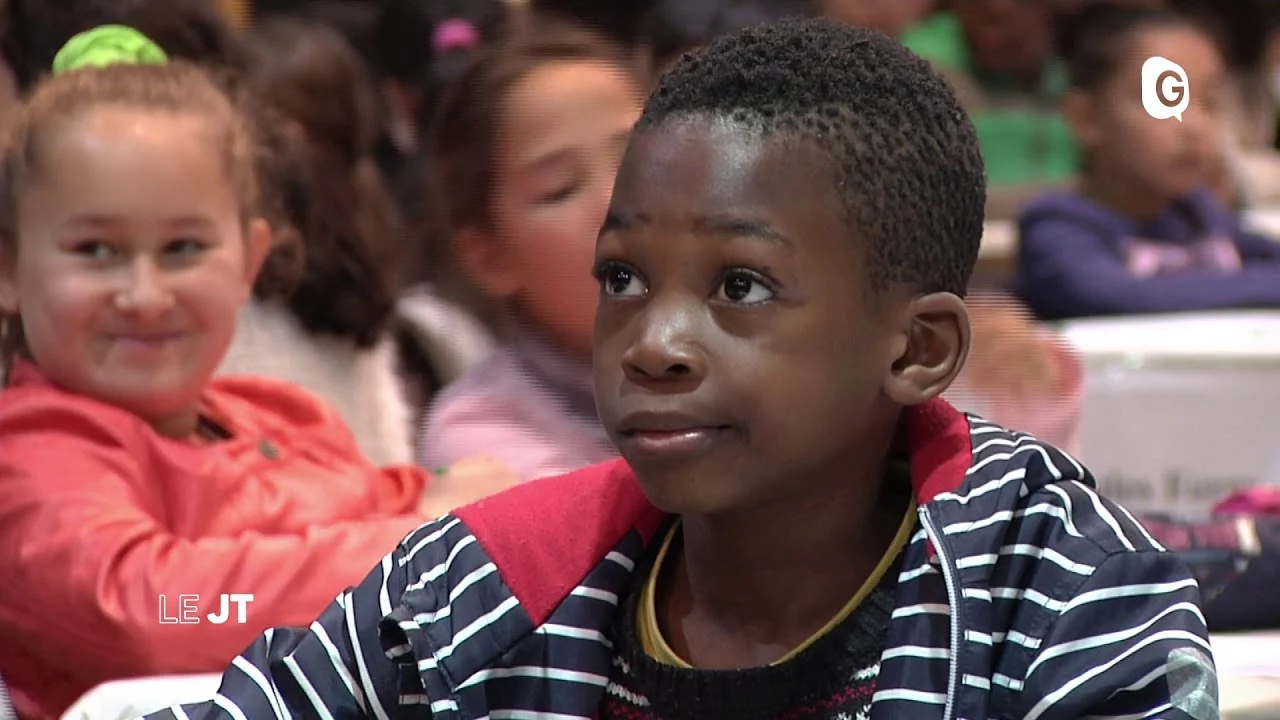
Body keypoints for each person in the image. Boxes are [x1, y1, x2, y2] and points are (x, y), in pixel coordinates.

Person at [148, 18, 1216, 720]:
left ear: (916, 349)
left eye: (739, 286)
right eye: (621, 276)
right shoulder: (494, 581)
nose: (653, 342)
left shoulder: (1049, 591)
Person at [0, 27, 509, 720]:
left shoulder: (286, 415)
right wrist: (411, 548)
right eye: (95, 250)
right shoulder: (31, 452)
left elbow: (399, 499)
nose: (145, 294)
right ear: (9, 269)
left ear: (248, 261)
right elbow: (158, 612)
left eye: (182, 248)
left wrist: (458, 503)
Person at [418, 15, 644, 481]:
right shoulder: (482, 437)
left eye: (642, 157)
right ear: (490, 257)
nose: (619, 199)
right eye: (559, 189)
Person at [1018, 3, 1280, 319]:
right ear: (1086, 117)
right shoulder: (1057, 227)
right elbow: (1115, 297)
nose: (1195, 126)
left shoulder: (1197, 215)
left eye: (1209, 103)